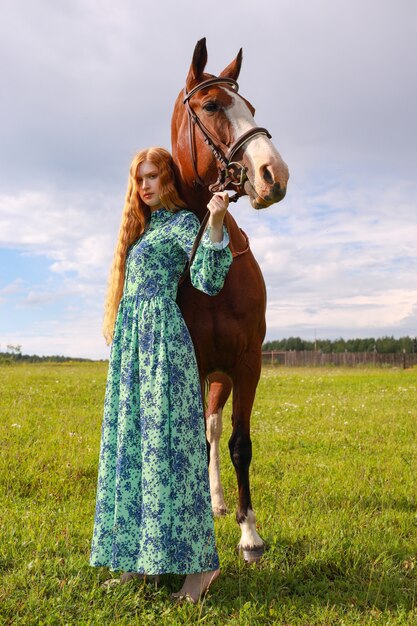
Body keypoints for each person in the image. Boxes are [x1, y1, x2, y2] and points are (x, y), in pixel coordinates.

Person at [90, 147, 233, 603]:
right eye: (139, 179)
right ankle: (138, 560)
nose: (145, 186)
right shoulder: (140, 229)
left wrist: (214, 222)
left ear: (168, 179)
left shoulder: (183, 224)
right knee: (132, 451)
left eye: (153, 176)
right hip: (131, 352)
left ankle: (201, 570)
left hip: (162, 347)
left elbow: (207, 281)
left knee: (172, 453)